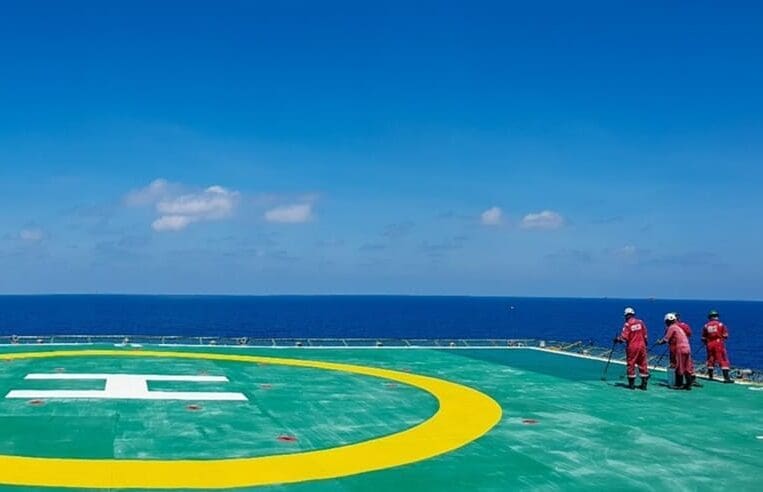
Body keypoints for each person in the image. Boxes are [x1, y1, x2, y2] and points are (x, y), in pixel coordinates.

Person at [614, 307, 649, 390]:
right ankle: (644, 385)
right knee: (643, 364)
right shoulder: (641, 322)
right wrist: (645, 344)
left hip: (632, 347)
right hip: (642, 346)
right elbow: (645, 335)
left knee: (631, 364)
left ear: (626, 316)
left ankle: (631, 385)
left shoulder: (627, 324)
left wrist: (617, 340)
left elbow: (623, 338)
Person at [658, 313, 694, 390]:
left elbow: (666, 339)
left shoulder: (671, 328)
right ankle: (688, 384)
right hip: (687, 348)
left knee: (679, 367)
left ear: (667, 321)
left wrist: (659, 342)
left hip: (679, 348)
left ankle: (679, 384)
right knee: (687, 367)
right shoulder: (678, 328)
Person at [702, 310, 733, 383]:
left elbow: (703, 337)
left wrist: (707, 341)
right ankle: (726, 378)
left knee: (710, 359)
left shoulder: (706, 326)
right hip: (718, 343)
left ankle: (710, 376)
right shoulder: (720, 325)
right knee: (723, 359)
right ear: (717, 316)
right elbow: (725, 335)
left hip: (709, 343)